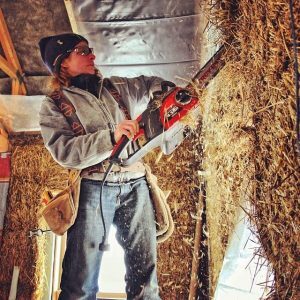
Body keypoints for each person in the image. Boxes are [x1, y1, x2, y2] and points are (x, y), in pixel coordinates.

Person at [38, 33, 166, 300]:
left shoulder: (115, 87)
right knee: (81, 282)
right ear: (62, 63)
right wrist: (110, 138)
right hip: (94, 187)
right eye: (83, 51)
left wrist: (163, 96)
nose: (92, 56)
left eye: (90, 50)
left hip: (136, 180)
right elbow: (65, 152)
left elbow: (152, 84)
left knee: (146, 279)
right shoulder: (54, 104)